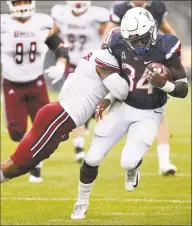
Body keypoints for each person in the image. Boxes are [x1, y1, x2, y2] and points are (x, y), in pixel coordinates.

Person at [71, 7, 188, 220]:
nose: (138, 46)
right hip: (122, 105)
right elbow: (118, 80)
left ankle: (133, 169)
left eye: (142, 40)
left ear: (152, 31)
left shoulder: (167, 45)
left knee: (128, 161)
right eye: (133, 41)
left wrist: (165, 85)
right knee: (93, 156)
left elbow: (183, 90)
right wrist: (107, 99)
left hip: (150, 112)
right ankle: (81, 201)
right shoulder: (117, 41)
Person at [0, 49, 129, 184]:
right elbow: (123, 92)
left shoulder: (99, 55)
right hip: (59, 117)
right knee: (17, 165)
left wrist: (108, 99)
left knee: (20, 165)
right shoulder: (107, 60)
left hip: (59, 117)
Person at [103, 0, 177, 176]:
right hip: (129, 62)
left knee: (158, 111)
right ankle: (132, 158)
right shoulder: (121, 9)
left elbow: (166, 29)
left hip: (153, 61)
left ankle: (164, 162)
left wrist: (174, 48)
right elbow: (109, 33)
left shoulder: (157, 7)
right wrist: (105, 53)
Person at [1, 0, 69, 183]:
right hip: (12, 84)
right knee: (16, 132)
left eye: (25, 1)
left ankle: (35, 165)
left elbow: (60, 46)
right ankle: (29, 155)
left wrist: (60, 66)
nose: (22, 5)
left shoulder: (42, 22)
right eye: (18, 1)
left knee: (45, 127)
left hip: (36, 82)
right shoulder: (4, 24)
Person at [50, 1, 110, 163]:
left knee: (91, 105)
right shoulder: (60, 14)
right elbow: (50, 34)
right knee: (75, 104)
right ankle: (78, 146)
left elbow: (108, 34)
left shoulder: (98, 15)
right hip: (72, 63)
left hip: (93, 65)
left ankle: (85, 124)